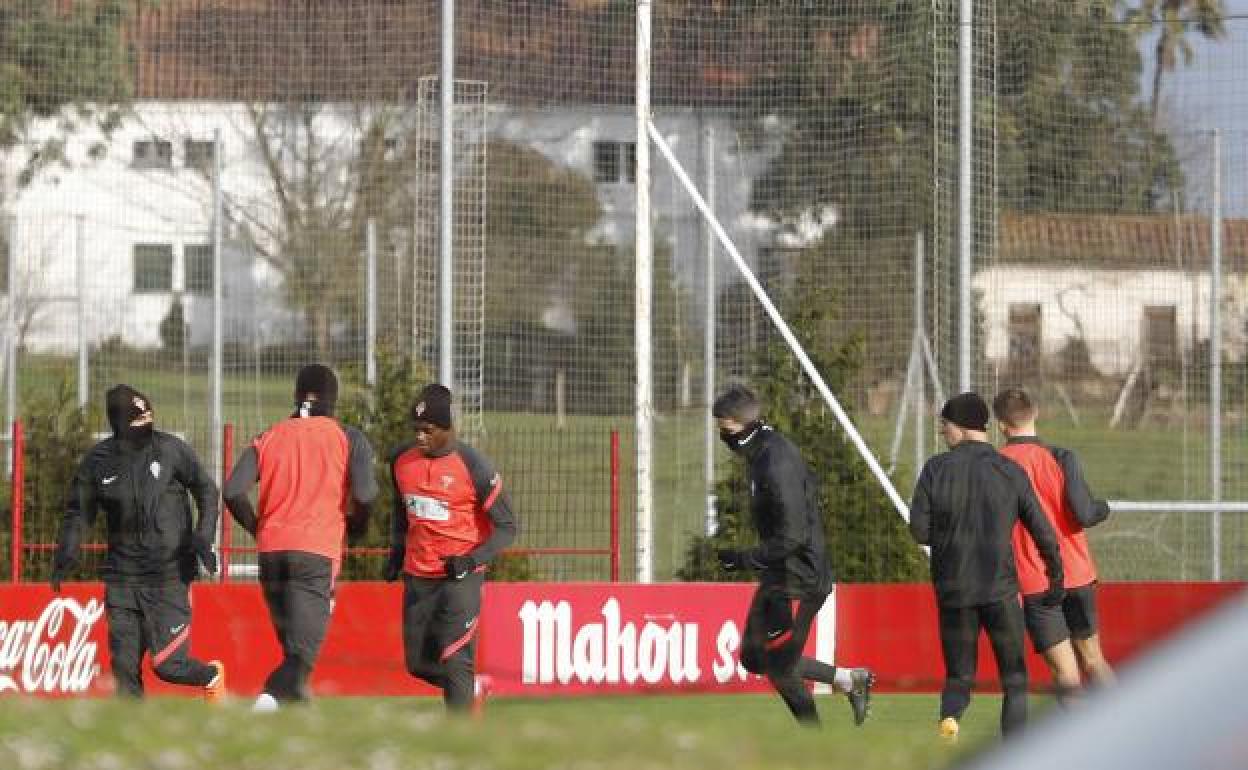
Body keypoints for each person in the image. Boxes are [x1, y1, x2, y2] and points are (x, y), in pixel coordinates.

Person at [711, 384, 874, 728]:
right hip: (780, 574)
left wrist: (744, 559)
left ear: (748, 426)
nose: (722, 437)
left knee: (780, 664)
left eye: (727, 431)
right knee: (755, 657)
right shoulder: (760, 453)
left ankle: (812, 746)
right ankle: (849, 680)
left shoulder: (776, 462)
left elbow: (793, 535)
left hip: (799, 579)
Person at [52, 385, 225, 700]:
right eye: (137, 419)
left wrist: (204, 535)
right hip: (122, 580)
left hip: (170, 575)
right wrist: (67, 550)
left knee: (169, 665)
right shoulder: (97, 463)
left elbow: (207, 490)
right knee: (124, 671)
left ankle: (210, 675)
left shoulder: (172, 450)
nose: (146, 423)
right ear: (120, 424)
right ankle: (133, 743)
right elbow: (79, 513)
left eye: (149, 415)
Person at [909, 392, 1063, 741]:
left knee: (959, 676)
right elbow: (1043, 530)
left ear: (962, 428)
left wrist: (949, 539)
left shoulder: (936, 468)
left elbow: (918, 529)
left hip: (954, 592)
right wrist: (1055, 576)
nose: (942, 432)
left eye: (944, 425)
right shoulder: (1009, 470)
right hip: (1000, 592)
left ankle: (949, 723)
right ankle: (1016, 751)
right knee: (1014, 677)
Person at [223, 364, 377, 711]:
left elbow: (233, 490)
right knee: (302, 656)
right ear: (333, 401)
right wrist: (357, 527)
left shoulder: (271, 435)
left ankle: (296, 718)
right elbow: (366, 495)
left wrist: (258, 528)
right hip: (315, 555)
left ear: (296, 395)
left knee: (294, 653)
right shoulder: (348, 437)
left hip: (272, 553)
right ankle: (266, 702)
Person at [384, 384, 518, 716]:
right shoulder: (400, 461)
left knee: (456, 658)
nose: (420, 437)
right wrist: (396, 555)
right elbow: (402, 511)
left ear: (447, 428)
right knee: (417, 663)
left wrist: (471, 560)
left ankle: (460, 746)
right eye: (415, 430)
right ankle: (472, 688)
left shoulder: (474, 466)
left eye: (427, 431)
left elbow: (508, 527)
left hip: (461, 578)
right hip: (418, 575)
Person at [993, 387, 1115, 696]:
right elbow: (1085, 513)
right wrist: (1104, 507)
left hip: (1035, 581)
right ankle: (1129, 731)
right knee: (1094, 659)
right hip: (1076, 574)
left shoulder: (995, 466)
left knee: (1065, 673)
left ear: (1000, 425)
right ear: (1035, 414)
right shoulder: (1061, 457)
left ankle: (1081, 742)